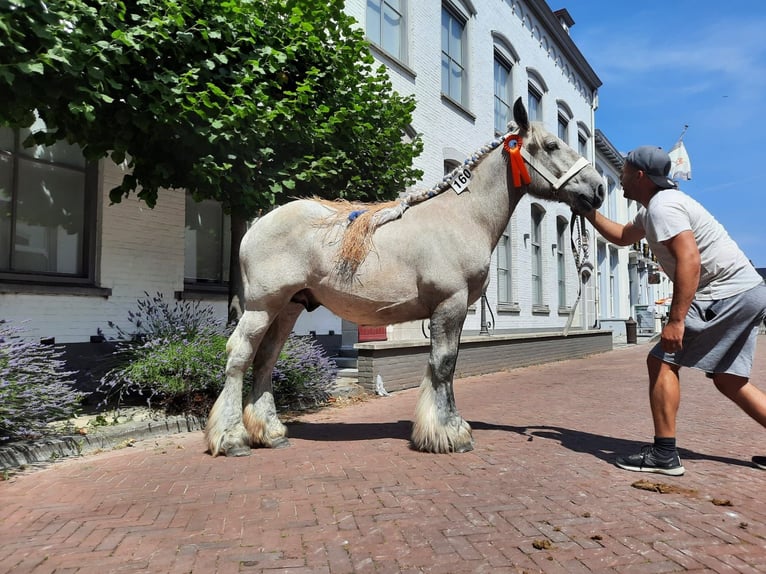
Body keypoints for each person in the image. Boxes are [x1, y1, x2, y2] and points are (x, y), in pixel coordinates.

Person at [582, 145, 766, 476]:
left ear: (639, 176)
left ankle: (664, 454)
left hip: (726, 292)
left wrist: (676, 321)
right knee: (728, 380)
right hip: (747, 290)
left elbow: (690, 260)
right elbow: (623, 236)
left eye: (623, 171)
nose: (620, 177)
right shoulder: (654, 208)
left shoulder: (663, 208)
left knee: (661, 359)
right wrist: (586, 211)